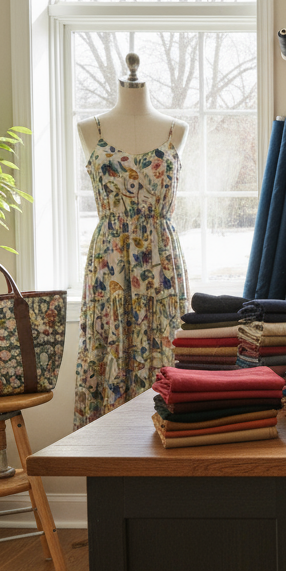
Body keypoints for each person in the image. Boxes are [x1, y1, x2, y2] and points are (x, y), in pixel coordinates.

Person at [73, 53, 189, 428]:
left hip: (161, 262)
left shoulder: (177, 130)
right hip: (111, 263)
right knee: (109, 343)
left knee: (166, 347)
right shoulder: (90, 129)